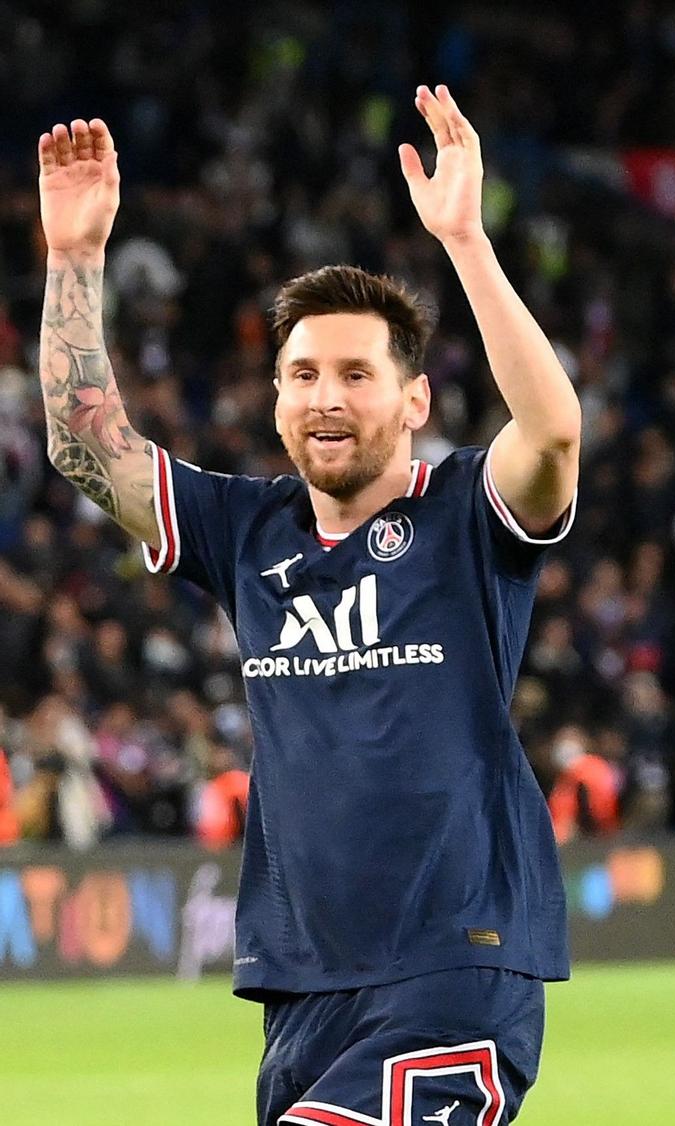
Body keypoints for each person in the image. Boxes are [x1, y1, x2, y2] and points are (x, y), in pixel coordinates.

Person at [36, 86, 579, 1125]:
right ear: (276, 398)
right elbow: (82, 442)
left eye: (354, 374)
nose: (326, 396)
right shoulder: (245, 529)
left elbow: (552, 432)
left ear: (413, 399)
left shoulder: (467, 513)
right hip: (300, 986)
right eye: (301, 375)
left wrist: (464, 241)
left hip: (450, 971)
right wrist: (73, 255)